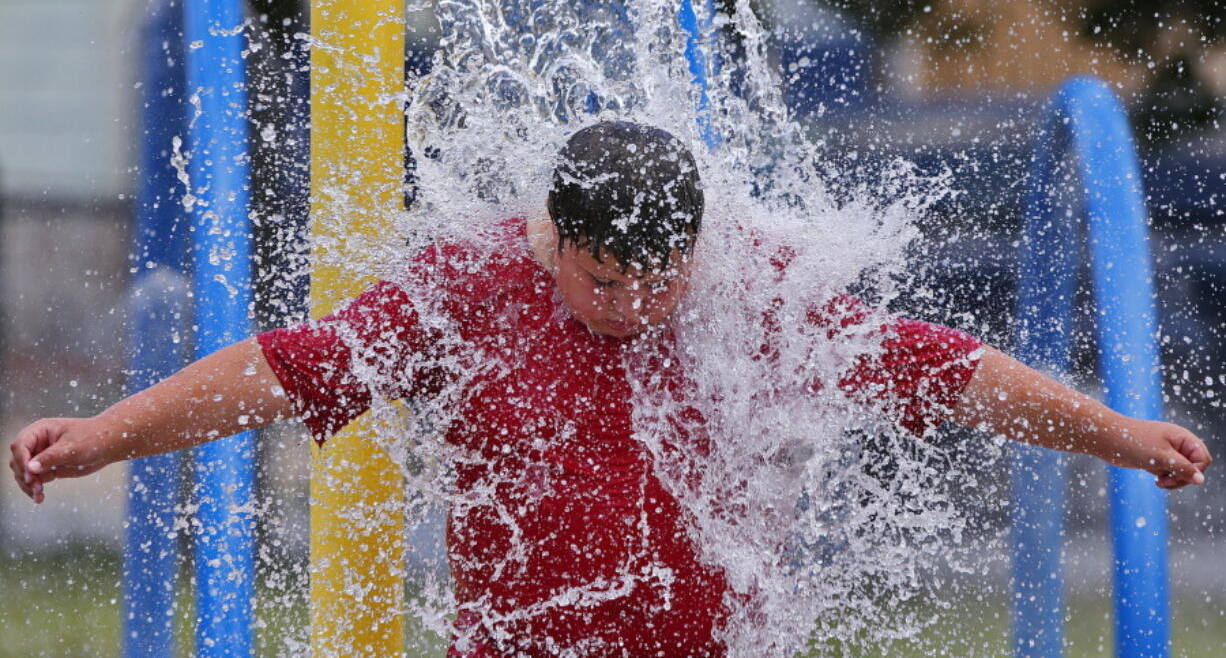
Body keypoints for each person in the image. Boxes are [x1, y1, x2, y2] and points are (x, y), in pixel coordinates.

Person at [8, 121, 1212, 658]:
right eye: (602, 283)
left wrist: (1111, 431)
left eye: (660, 280)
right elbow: (286, 367)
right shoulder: (467, 289)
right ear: (548, 242)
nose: (636, 305)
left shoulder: (752, 291)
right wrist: (105, 437)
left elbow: (939, 369)